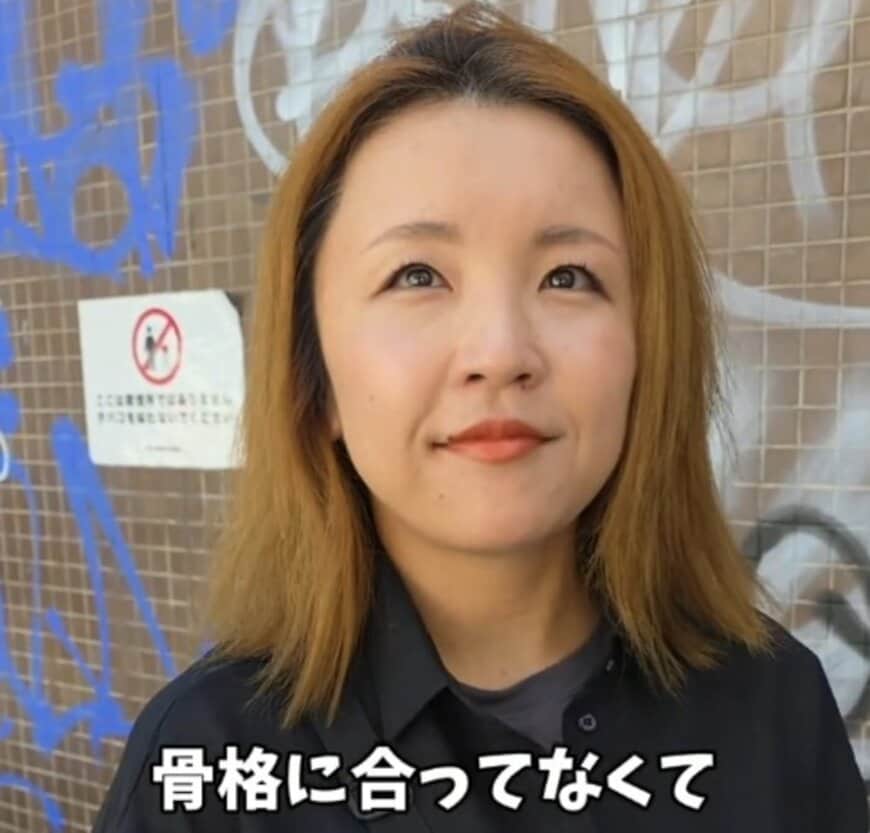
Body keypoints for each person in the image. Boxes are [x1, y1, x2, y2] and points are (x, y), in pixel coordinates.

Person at [91, 3, 867, 831]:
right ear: (314, 381)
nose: (500, 352)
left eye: (568, 276)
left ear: (651, 356)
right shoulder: (206, 764)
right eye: (417, 275)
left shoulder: (776, 705)